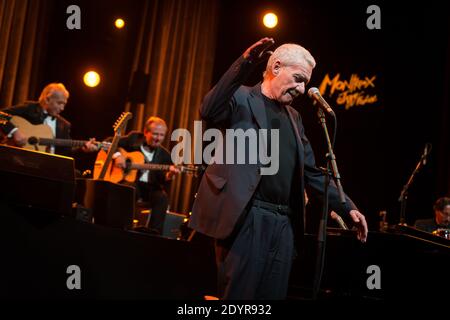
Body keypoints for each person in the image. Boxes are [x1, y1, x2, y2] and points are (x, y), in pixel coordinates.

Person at [189, 38, 368, 300]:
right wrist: (247, 61)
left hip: (284, 224)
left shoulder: (294, 118)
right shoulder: (241, 98)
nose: (302, 87)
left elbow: (312, 173)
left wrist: (347, 206)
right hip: (247, 218)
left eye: (305, 81)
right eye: (298, 78)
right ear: (276, 67)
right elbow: (209, 109)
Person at [114, 116, 180, 235]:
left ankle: (153, 234)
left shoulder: (165, 155)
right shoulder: (134, 139)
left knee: (162, 198)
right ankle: (122, 229)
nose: (158, 138)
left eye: (162, 135)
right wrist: (118, 155)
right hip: (131, 184)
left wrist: (169, 175)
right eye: (155, 134)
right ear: (145, 132)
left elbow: (164, 179)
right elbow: (110, 141)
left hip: (149, 188)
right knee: (131, 189)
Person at [0, 82, 97, 155]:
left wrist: (82, 149)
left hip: (49, 167)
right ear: (47, 99)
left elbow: (66, 152)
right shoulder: (30, 108)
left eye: (64, 104)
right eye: (59, 103)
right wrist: (15, 131)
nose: (62, 108)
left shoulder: (64, 125)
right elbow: (1, 114)